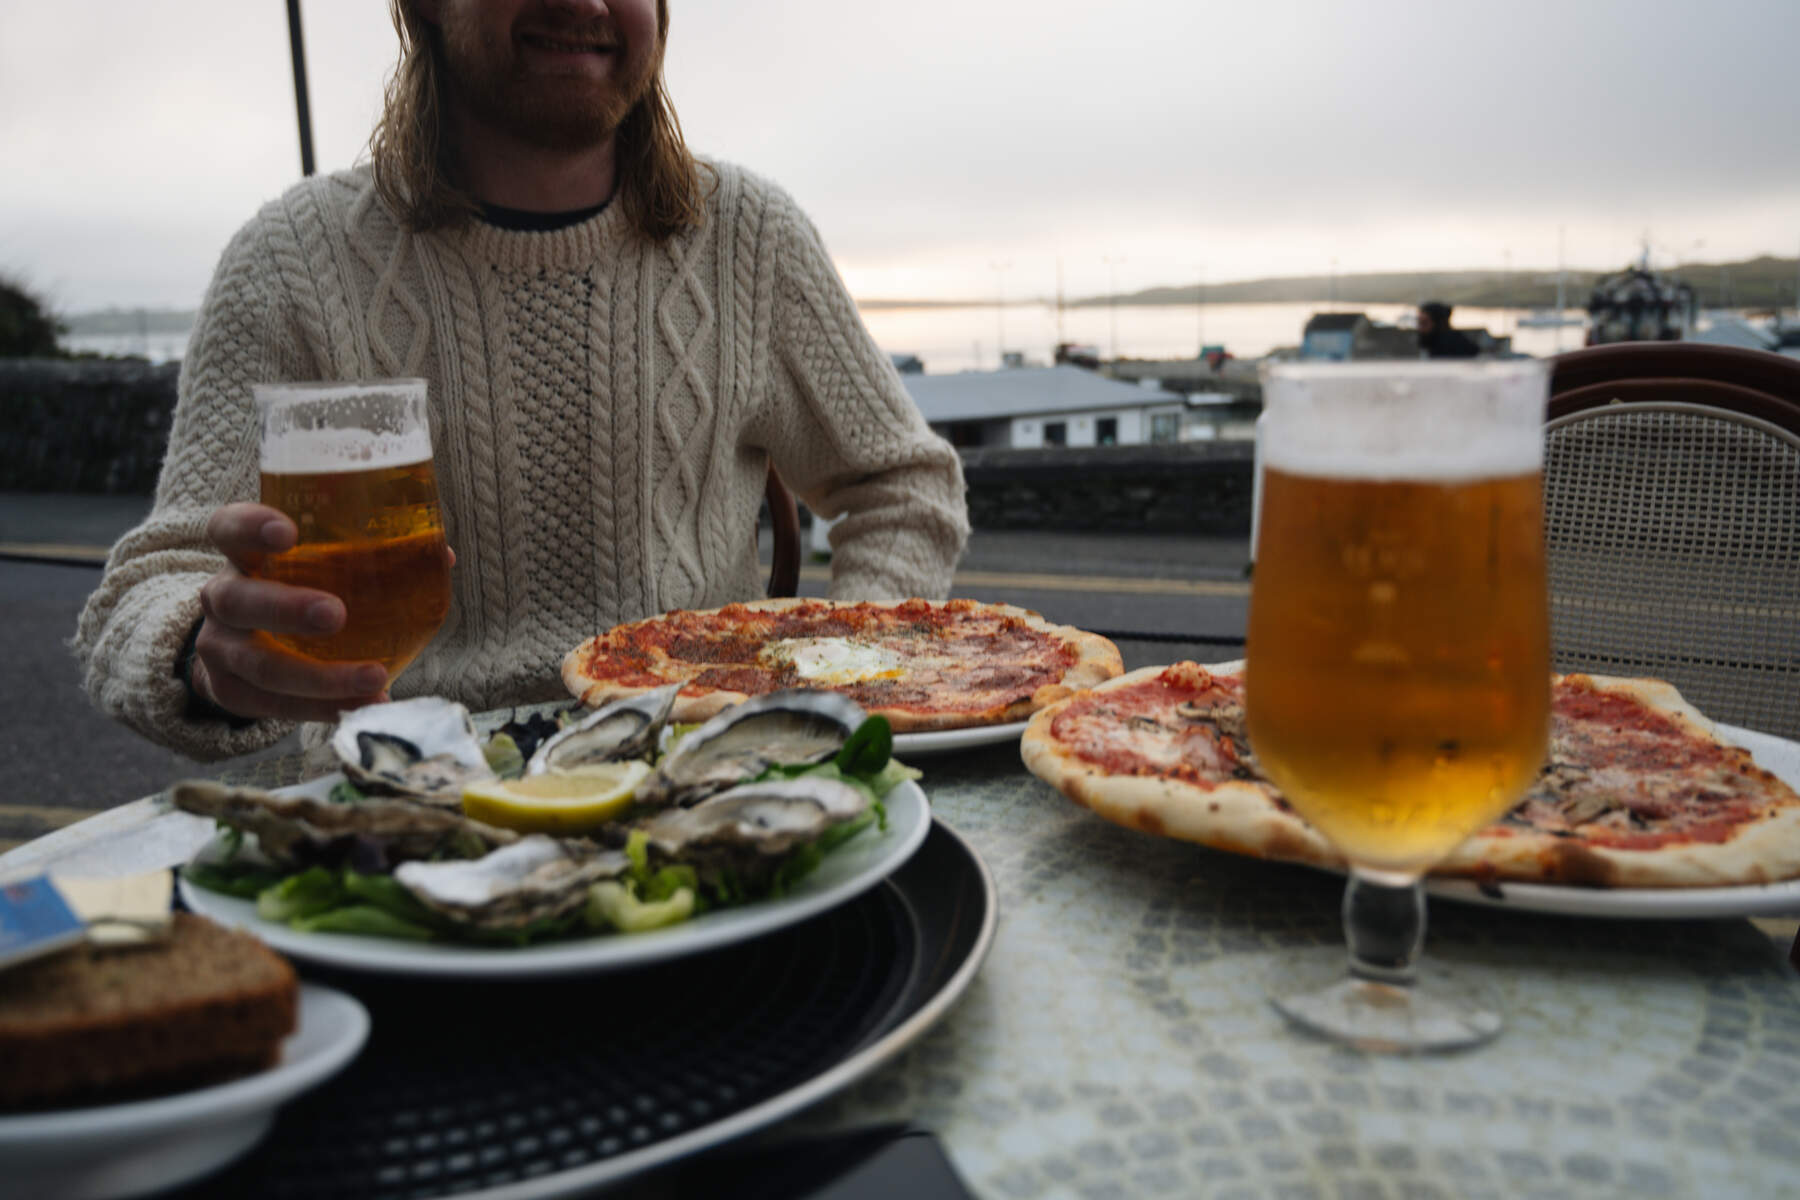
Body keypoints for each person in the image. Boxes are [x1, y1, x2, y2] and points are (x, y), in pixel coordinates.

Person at [73, 0, 969, 761]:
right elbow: (146, 591)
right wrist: (204, 650)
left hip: (703, 779)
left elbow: (903, 483)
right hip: (403, 806)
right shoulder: (290, 261)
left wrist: (834, 677)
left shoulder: (751, 237)